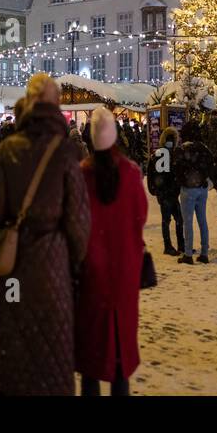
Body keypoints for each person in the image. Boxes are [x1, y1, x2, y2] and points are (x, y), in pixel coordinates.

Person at [0, 73, 90, 395]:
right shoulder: (65, 151)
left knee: (16, 335)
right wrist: (75, 264)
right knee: (52, 340)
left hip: (15, 267)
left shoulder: (9, 149)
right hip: (53, 263)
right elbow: (79, 221)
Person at [76, 108, 147, 396]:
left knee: (91, 357)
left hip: (90, 275)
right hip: (125, 273)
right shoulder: (130, 173)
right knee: (120, 353)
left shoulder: (82, 175)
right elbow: (140, 216)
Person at [172, 120, 215, 265]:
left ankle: (188, 253)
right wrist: (203, 178)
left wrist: (183, 181)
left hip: (188, 189)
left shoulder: (182, 149)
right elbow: (211, 164)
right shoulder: (203, 148)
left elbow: (176, 169)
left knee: (188, 222)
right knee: (202, 220)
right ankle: (204, 252)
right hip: (202, 188)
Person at [146, 127, 184, 256]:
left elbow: (151, 172)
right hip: (169, 192)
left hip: (166, 192)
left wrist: (154, 189)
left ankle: (175, 245)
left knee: (170, 219)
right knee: (174, 219)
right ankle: (174, 245)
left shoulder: (157, 155)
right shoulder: (173, 154)